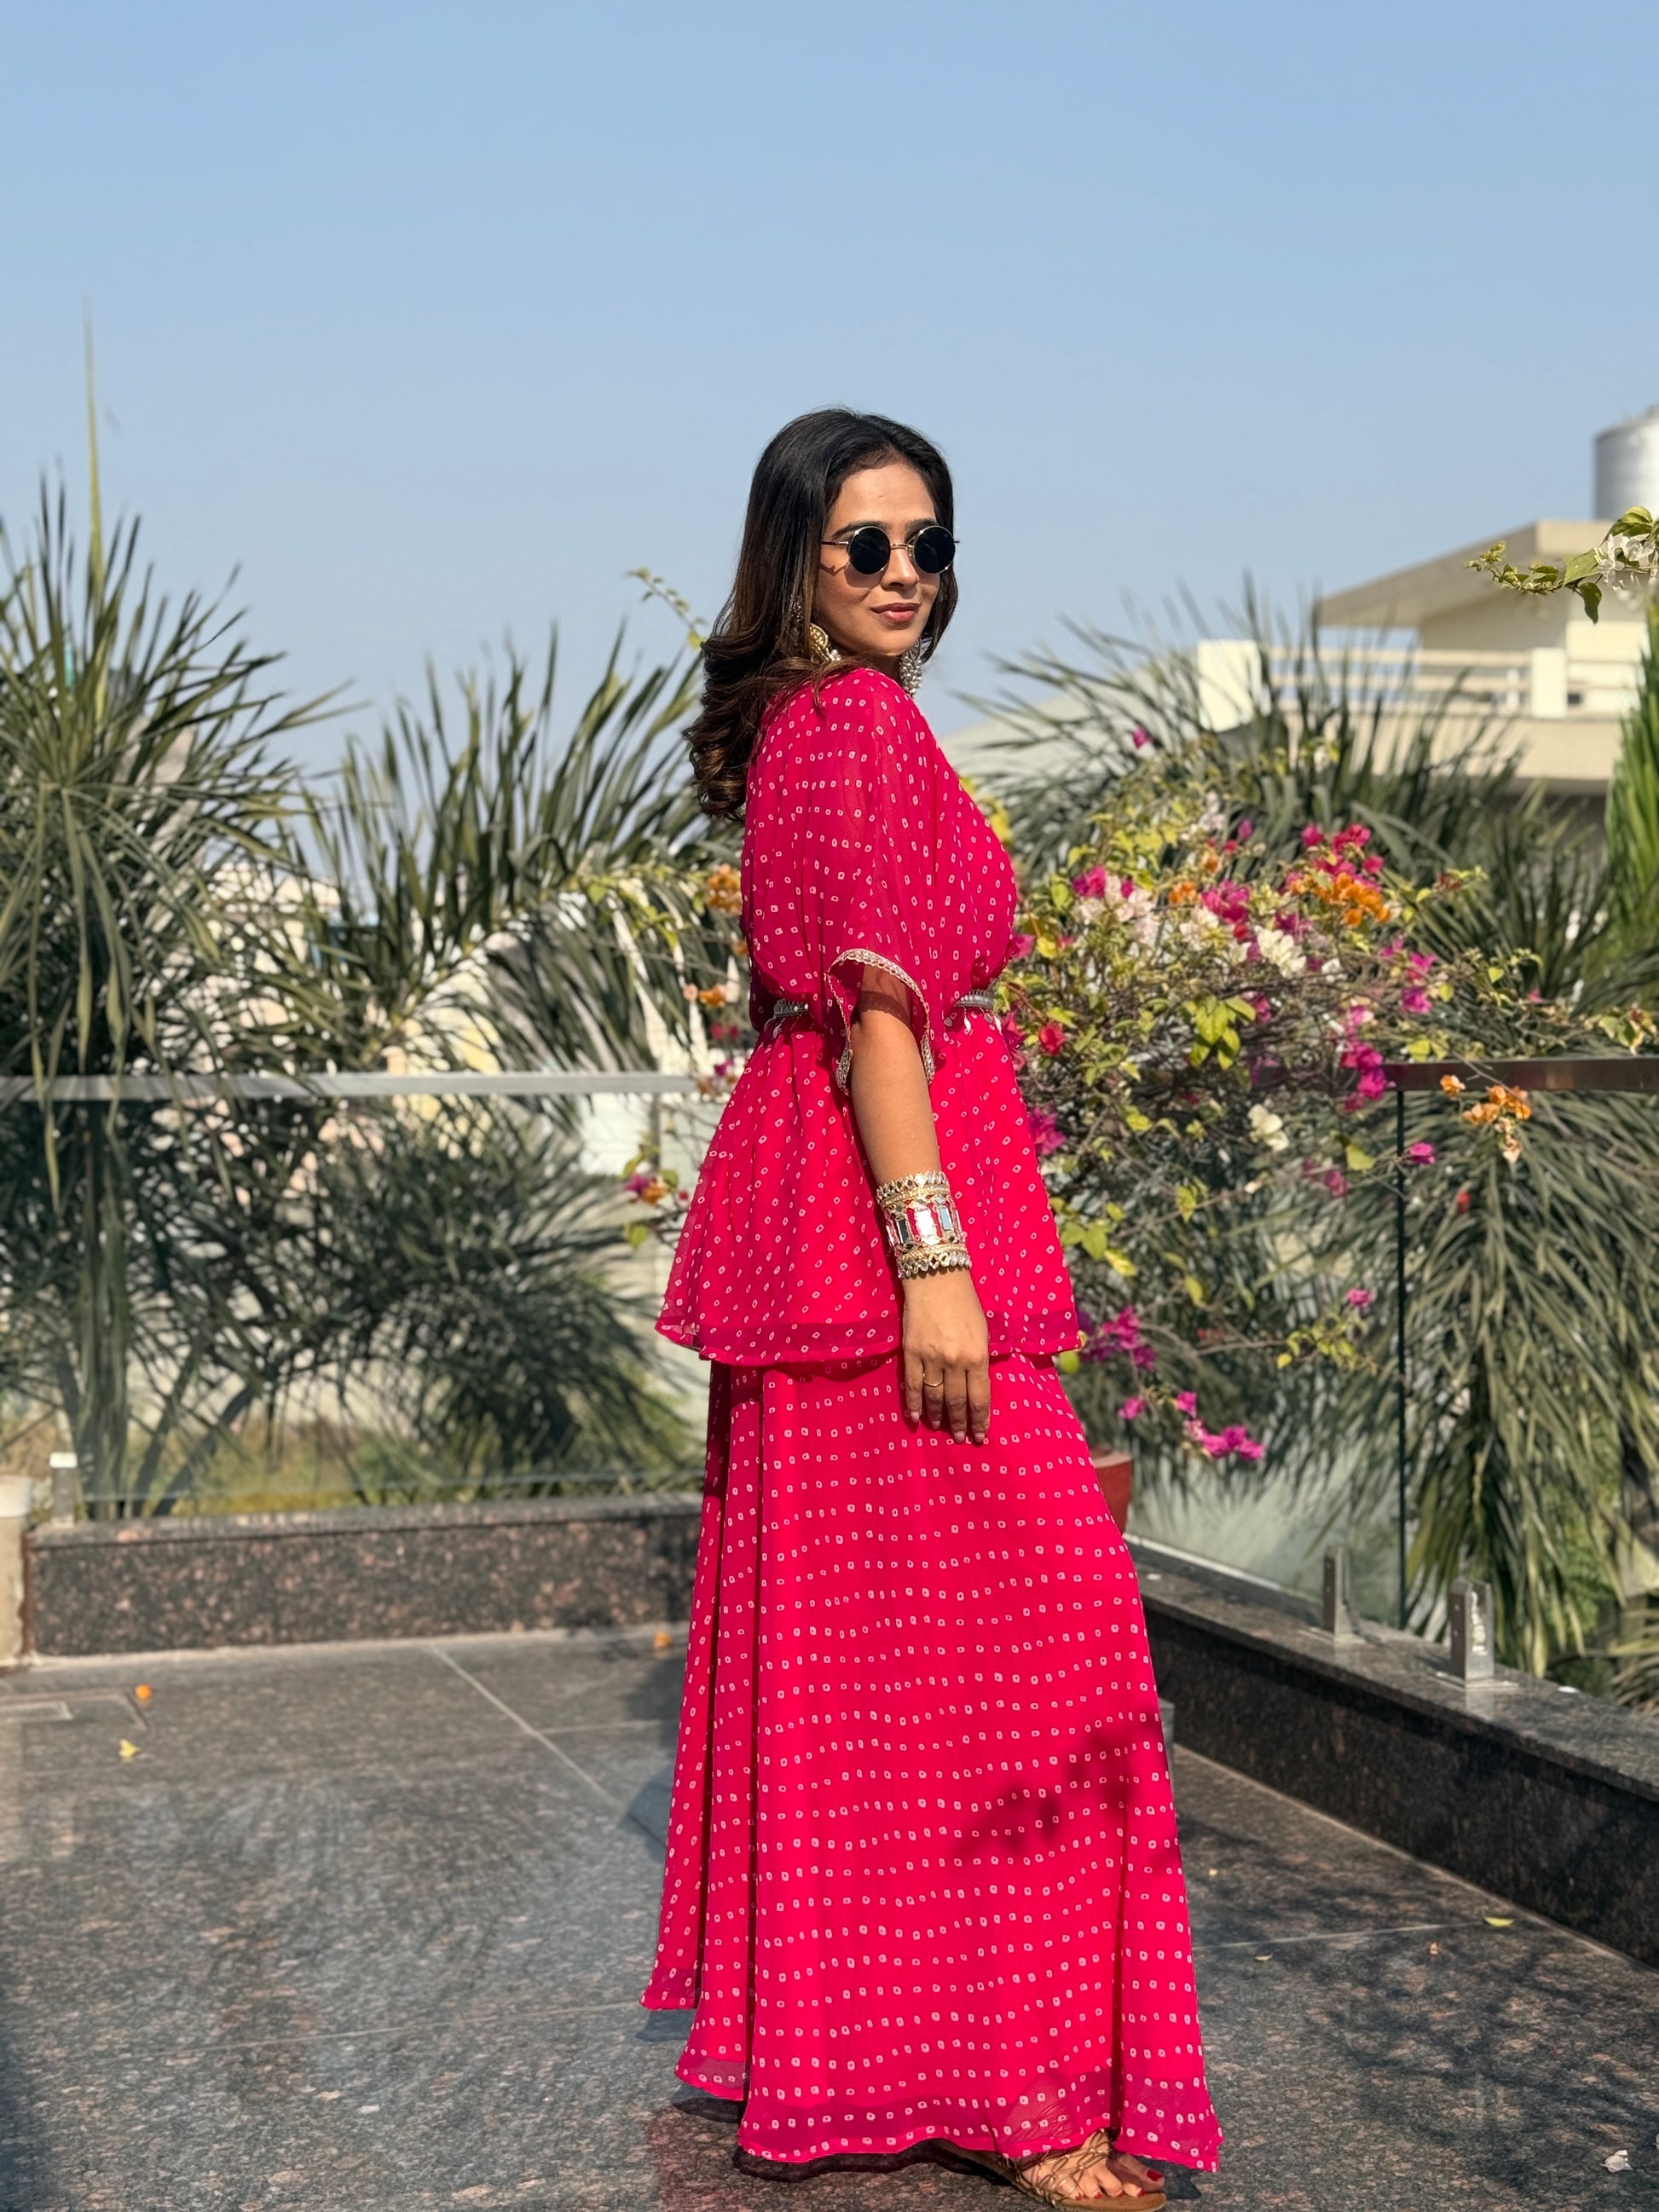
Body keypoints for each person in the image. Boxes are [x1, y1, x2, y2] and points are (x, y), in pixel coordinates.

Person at [641, 408, 1222, 2205]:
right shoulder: (851, 729)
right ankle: (1023, 2088)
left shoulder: (815, 730)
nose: (906, 574)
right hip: (878, 1260)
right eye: (865, 546)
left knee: (891, 1675)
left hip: (828, 1254)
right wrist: (934, 1260)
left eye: (928, 543)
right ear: (794, 562)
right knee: (1044, 1664)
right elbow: (875, 1017)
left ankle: (908, 2055)